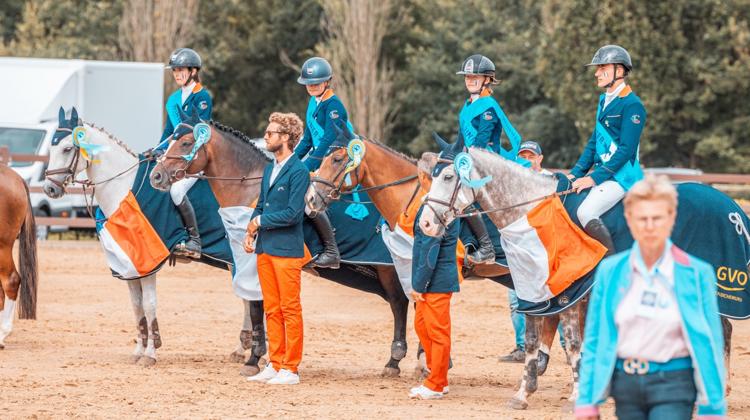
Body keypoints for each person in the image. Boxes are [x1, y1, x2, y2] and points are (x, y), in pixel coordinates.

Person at [575, 174, 726, 419]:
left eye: (657, 218)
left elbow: (710, 341)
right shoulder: (610, 272)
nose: (649, 225)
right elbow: (595, 337)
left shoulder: (698, 274)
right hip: (625, 385)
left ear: (671, 219)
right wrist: (586, 399)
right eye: (642, 218)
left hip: (675, 384)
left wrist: (713, 406)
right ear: (630, 220)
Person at [244, 112, 310, 385]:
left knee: (290, 309)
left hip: (287, 250)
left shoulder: (300, 171)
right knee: (272, 308)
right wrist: (251, 228)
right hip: (265, 248)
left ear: (285, 138)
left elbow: (294, 213)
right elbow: (261, 204)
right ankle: (275, 361)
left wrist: (260, 221)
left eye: (270, 133)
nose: (266, 137)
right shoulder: (270, 168)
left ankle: (291, 368)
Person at [568, 45, 646, 256]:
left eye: (602, 67)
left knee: (586, 211)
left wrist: (594, 178)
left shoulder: (632, 105)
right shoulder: (603, 100)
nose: (596, 73)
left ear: (619, 71)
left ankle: (611, 264)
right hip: (606, 173)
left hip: (623, 176)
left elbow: (626, 150)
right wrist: (576, 173)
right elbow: (594, 141)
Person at [455, 54, 525, 264]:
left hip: (488, 162)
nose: (469, 80)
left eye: (474, 76)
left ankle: (487, 247)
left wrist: (465, 160)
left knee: (460, 197)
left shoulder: (488, 107)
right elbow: (462, 141)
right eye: (467, 76)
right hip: (472, 160)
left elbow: (480, 141)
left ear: (487, 79)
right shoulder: (467, 106)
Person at [500, 140, 563, 363]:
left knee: (559, 298)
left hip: (546, 249)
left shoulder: (550, 181)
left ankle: (566, 346)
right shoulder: (513, 183)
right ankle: (521, 346)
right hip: (522, 251)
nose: (526, 160)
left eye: (530, 156)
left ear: (540, 159)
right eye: (522, 157)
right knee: (517, 298)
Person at [153, 47, 213, 258]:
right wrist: (157, 151)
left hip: (195, 156)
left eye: (181, 70)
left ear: (193, 71)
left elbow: (201, 132)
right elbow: (169, 132)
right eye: (175, 70)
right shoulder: (172, 100)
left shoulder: (202, 96)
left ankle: (195, 241)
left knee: (176, 191)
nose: (177, 74)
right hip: (175, 154)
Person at [293, 56, 352, 269]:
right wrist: (291, 161)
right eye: (308, 83)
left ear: (327, 82)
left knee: (310, 200)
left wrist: (307, 166)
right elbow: (308, 139)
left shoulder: (334, 105)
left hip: (338, 159)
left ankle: (331, 250)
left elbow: (328, 140)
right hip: (323, 158)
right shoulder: (313, 103)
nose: (311, 87)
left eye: (316, 83)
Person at [408, 171, 461, 399]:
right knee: (422, 327)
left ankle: (436, 383)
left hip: (436, 280)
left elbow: (430, 249)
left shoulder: (440, 209)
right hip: (429, 278)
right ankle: (437, 375)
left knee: (437, 332)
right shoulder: (429, 205)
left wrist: (419, 284)